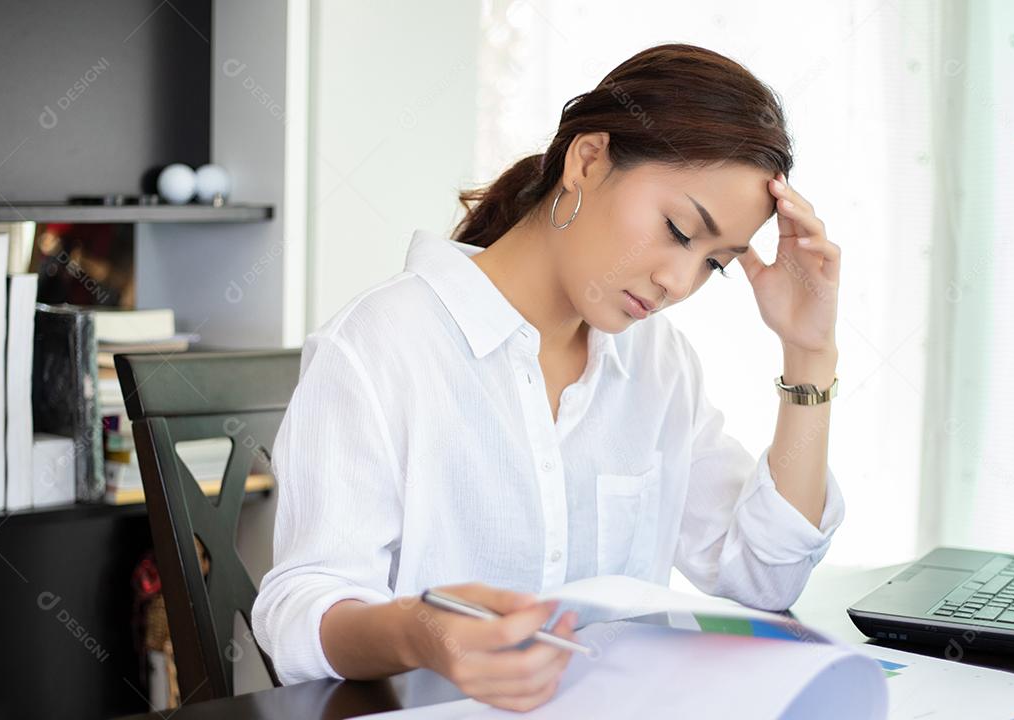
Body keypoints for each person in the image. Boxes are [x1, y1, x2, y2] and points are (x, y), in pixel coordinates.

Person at [252, 42, 844, 712]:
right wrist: (422, 634)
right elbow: (301, 611)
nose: (678, 282)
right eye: (680, 232)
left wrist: (809, 354)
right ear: (588, 161)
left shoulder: (658, 365)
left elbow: (764, 575)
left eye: (716, 264)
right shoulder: (381, 344)